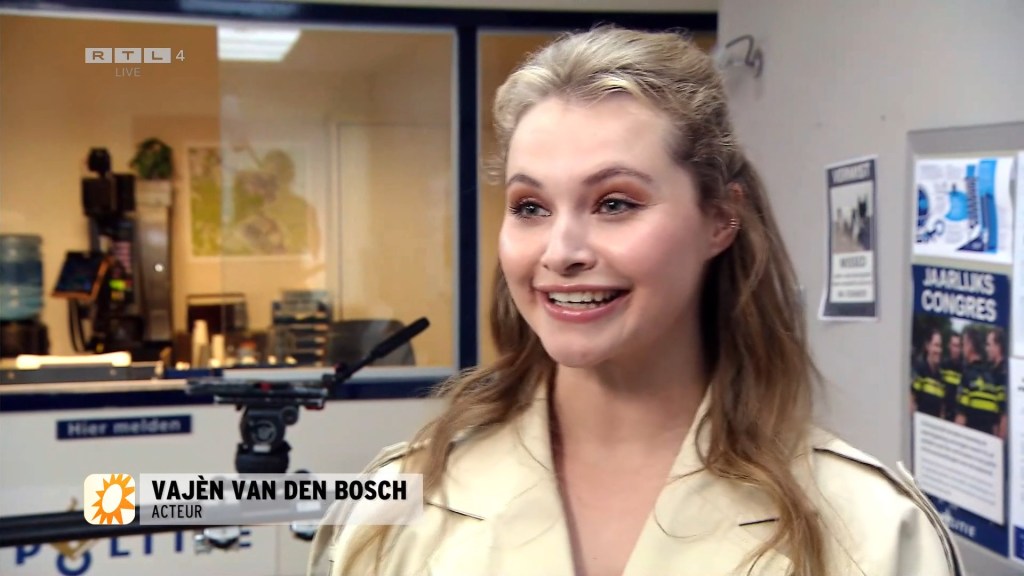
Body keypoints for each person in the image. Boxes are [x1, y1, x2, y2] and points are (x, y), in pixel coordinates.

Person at [308, 27, 962, 576]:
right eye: (530, 207)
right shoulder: (395, 508)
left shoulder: (871, 533)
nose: (561, 251)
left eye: (615, 203)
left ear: (719, 218)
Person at [955, 326, 1001, 436]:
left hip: (971, 441)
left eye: (964, 345)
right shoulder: (991, 379)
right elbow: (995, 424)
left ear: (970, 345)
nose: (962, 349)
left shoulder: (967, 376)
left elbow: (961, 418)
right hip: (987, 442)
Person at [910, 328, 946, 418]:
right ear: (927, 346)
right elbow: (910, 400)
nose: (939, 350)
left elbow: (941, 410)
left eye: (940, 346)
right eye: (936, 345)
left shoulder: (941, 377)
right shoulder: (919, 370)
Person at [984, 327, 1008, 439]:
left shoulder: (1002, 374)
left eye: (989, 345)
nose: (986, 349)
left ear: (998, 346)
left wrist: (999, 441)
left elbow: (1004, 413)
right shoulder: (992, 370)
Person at [939, 331, 963, 421]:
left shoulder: (964, 369)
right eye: (954, 345)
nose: (955, 350)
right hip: (942, 414)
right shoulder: (943, 365)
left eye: (958, 346)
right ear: (949, 346)